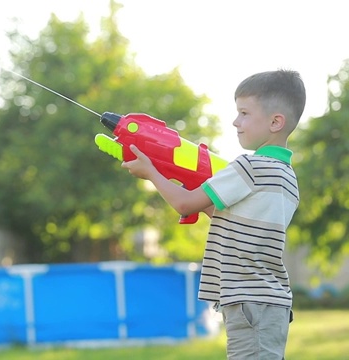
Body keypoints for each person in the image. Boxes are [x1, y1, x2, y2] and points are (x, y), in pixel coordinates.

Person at [122, 69, 306, 359]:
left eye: (244, 113)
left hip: (249, 300)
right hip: (266, 302)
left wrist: (152, 173)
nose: (236, 121)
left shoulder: (249, 166)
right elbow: (231, 221)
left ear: (275, 122)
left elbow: (184, 204)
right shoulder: (284, 175)